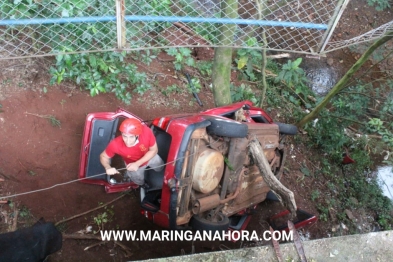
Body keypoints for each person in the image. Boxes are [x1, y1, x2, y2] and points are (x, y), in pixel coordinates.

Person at [100, 118, 164, 188]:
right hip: (132, 166)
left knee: (160, 166)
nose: (127, 141)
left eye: (131, 137)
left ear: (137, 135)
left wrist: (137, 163)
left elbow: (154, 150)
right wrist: (107, 167)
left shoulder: (146, 132)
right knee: (138, 179)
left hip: (150, 157)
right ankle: (142, 185)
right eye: (124, 136)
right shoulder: (115, 144)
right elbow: (103, 156)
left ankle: (163, 172)